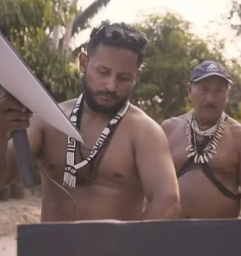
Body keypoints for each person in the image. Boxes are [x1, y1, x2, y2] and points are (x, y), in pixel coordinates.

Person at [0, 21, 180, 222]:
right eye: (103, 72)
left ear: (137, 76)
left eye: (123, 78)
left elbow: (167, 203)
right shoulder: (47, 120)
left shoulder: (145, 133)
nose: (111, 86)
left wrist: (131, 248)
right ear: (84, 63)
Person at [161, 61, 241, 219]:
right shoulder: (168, 130)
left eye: (219, 91)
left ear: (227, 95)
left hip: (222, 237)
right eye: (204, 89)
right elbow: (150, 190)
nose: (210, 99)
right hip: (172, 235)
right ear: (189, 90)